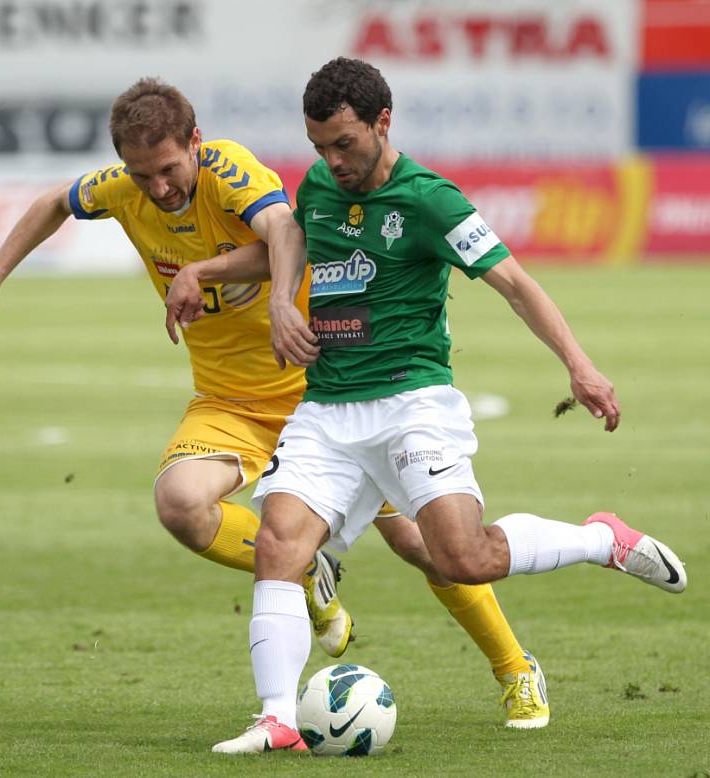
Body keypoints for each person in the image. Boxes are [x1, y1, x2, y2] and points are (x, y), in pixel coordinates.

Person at [0, 78, 548, 726]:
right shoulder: (120, 188)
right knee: (180, 504)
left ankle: (515, 670)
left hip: (325, 394)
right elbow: (53, 201)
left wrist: (272, 297)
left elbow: (284, 227)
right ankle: (311, 575)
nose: (159, 188)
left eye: (169, 169)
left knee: (423, 545)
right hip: (229, 401)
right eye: (143, 176)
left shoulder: (227, 168)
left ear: (194, 143)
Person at [211, 57, 687, 754]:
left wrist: (579, 366)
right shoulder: (316, 186)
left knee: (461, 557)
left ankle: (600, 540)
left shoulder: (430, 200)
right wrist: (277, 299)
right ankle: (278, 717)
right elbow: (291, 241)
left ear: (383, 122)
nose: (331, 161)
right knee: (279, 545)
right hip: (329, 407)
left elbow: (516, 284)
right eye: (319, 146)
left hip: (412, 403)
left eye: (343, 144)